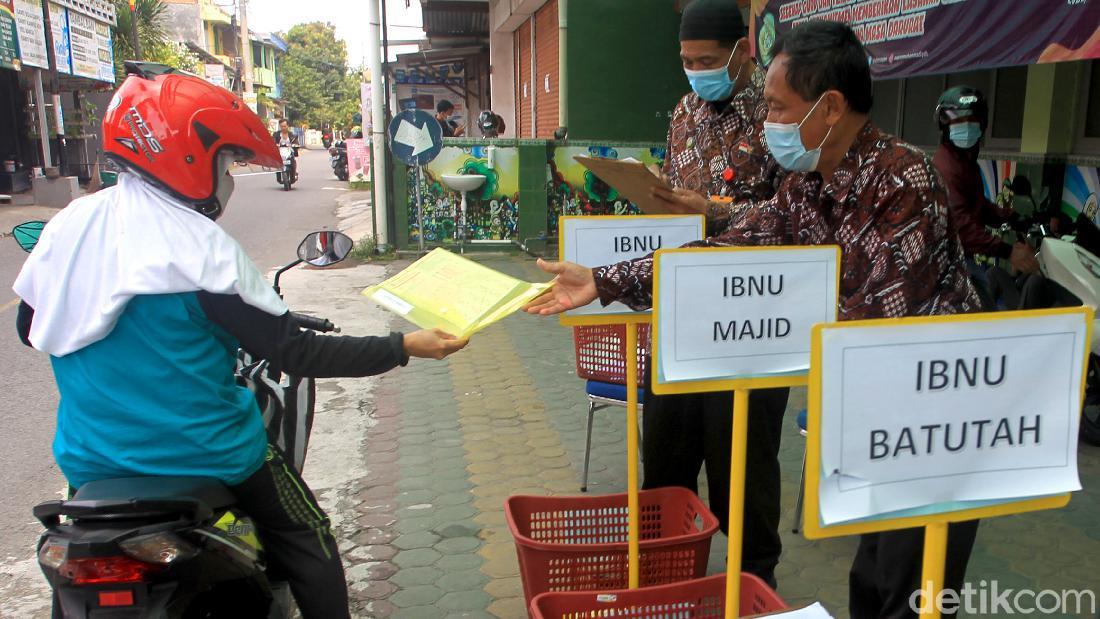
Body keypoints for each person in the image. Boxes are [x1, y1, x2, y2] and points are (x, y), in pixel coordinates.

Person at [525, 21, 981, 619]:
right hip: (880, 410)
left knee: (912, 584)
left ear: (830, 108)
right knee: (873, 577)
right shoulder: (806, 184)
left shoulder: (904, 179)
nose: (767, 120)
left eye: (775, 105)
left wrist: (765, 316)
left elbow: (872, 316)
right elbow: (729, 249)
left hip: (940, 410)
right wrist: (607, 281)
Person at [12, 65, 467, 619]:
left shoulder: (69, 228)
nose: (227, 176)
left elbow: (28, 327)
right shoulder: (197, 251)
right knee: (307, 534)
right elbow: (297, 353)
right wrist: (404, 345)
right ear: (188, 158)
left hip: (92, 463)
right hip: (211, 455)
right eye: (225, 161)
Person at [638, 0, 790, 588]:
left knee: (744, 475)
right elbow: (678, 193)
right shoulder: (683, 112)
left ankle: (752, 585)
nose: (696, 71)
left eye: (706, 60)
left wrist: (716, 211)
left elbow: (793, 216)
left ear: (742, 52)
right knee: (666, 467)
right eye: (687, 60)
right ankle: (667, 584)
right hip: (679, 318)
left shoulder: (779, 116)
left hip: (752, 325)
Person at [932, 86, 1039, 309]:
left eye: (973, 120)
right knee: (984, 318)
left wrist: (1012, 217)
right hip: (949, 265)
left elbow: (978, 205)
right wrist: (1008, 251)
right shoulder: (948, 167)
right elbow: (961, 226)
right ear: (945, 124)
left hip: (964, 259)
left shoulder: (964, 162)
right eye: (959, 120)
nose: (968, 127)